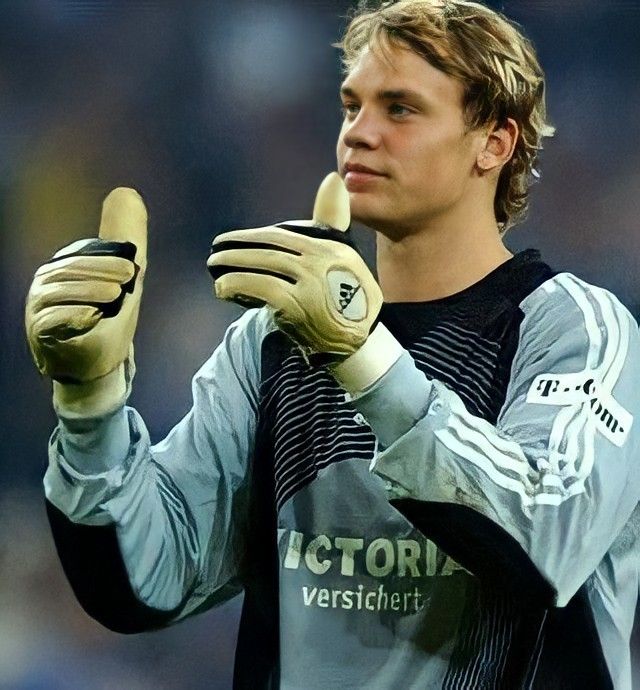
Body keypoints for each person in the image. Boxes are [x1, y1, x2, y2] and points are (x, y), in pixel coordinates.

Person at [25, 1, 640, 688]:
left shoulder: (575, 329)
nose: (359, 134)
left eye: (400, 109)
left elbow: (545, 539)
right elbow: (144, 583)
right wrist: (89, 405)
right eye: (353, 106)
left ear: (494, 141)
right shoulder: (272, 342)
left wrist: (362, 356)